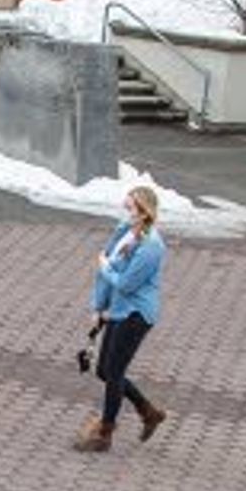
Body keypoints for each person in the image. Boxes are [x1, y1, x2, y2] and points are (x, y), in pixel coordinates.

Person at [77, 185, 171, 452]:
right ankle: (148, 411)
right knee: (104, 370)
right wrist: (99, 308)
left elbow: (126, 283)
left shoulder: (152, 246)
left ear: (143, 212)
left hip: (137, 314)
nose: (125, 212)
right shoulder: (125, 233)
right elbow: (109, 268)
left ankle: (104, 433)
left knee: (114, 371)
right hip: (119, 309)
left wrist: (105, 268)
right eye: (125, 206)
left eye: (130, 208)